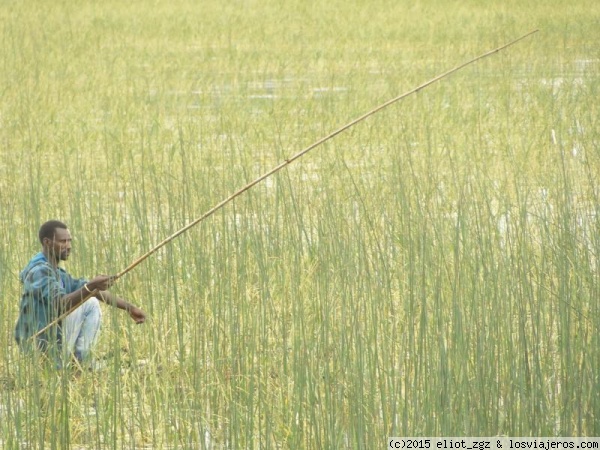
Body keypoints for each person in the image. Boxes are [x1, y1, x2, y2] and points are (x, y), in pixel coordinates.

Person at [14, 220, 146, 369]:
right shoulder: (39, 271)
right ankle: (82, 362)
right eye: (63, 241)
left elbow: (92, 291)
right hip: (39, 346)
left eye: (69, 241)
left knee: (90, 297)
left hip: (50, 341)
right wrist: (90, 286)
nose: (69, 246)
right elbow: (61, 304)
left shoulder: (56, 271)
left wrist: (129, 307)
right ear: (47, 242)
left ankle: (77, 361)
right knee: (90, 304)